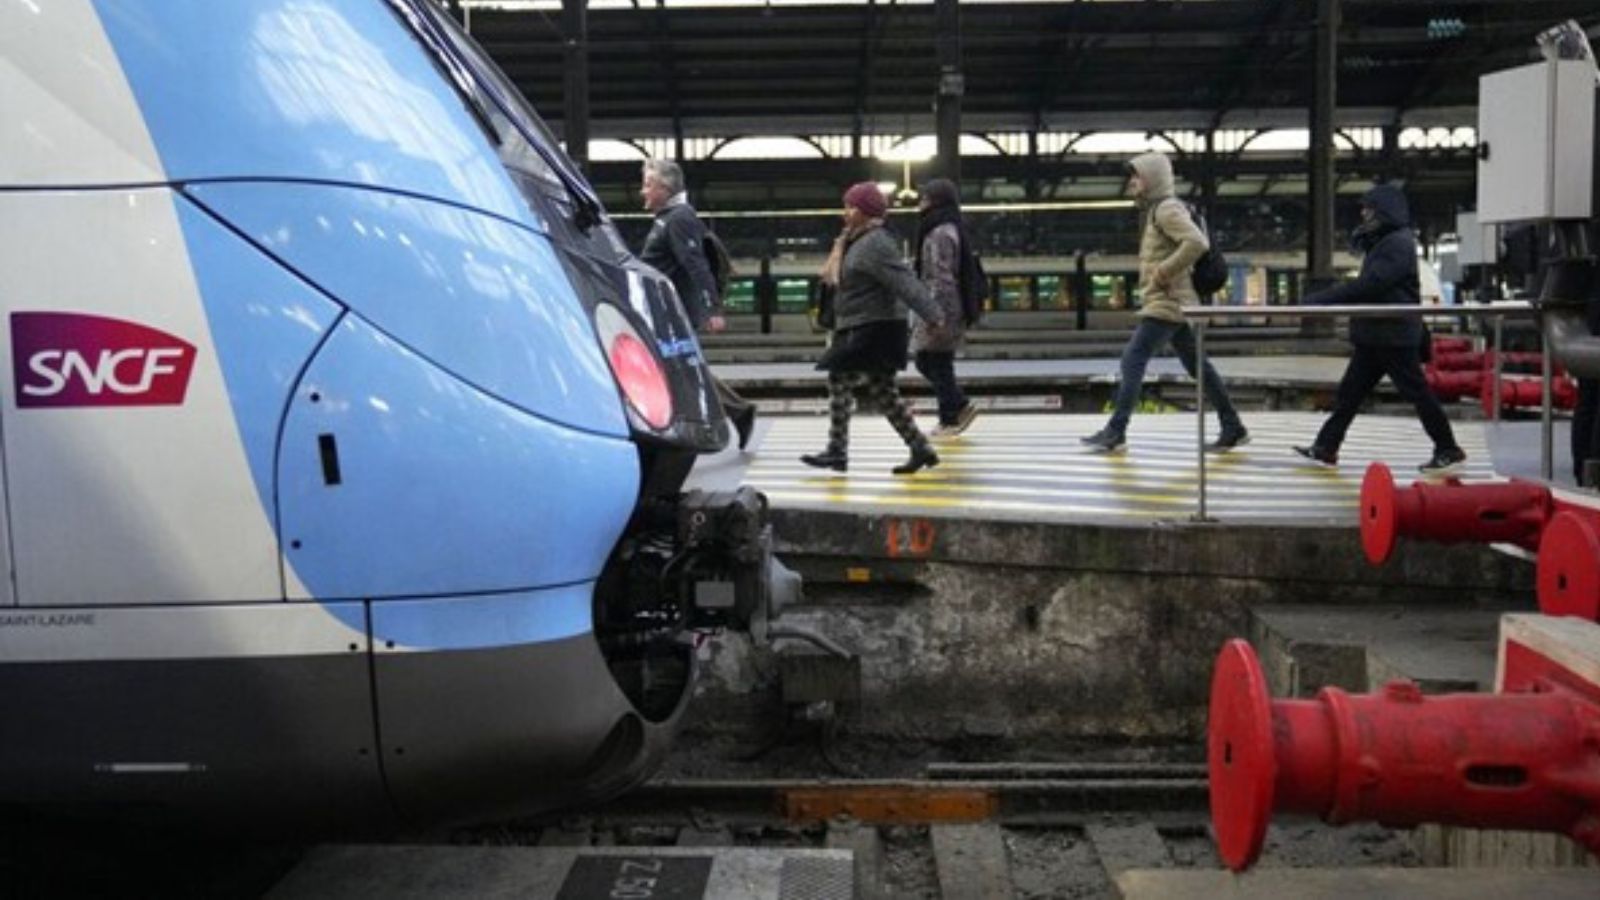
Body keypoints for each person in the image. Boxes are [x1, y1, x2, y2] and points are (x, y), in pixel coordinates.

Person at [1292, 183, 1467, 475]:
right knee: (1350, 394)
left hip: (1393, 336)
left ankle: (1447, 447)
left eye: (1368, 209)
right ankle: (1325, 447)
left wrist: (1321, 300)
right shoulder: (1388, 242)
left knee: (1417, 393)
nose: (1363, 214)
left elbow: (1370, 285)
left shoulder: (1396, 243)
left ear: (1383, 211)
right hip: (1378, 334)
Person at [1081, 152, 1249, 453]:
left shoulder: (1167, 209)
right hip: (1174, 301)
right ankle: (1233, 426)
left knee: (1133, 359)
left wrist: (1163, 270)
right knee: (1199, 366)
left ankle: (1116, 430)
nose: (1132, 182)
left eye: (1137, 176)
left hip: (1168, 301)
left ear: (1153, 179)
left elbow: (1197, 242)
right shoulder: (1156, 209)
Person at [801, 183, 946, 475]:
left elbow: (904, 282)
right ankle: (920, 448)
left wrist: (933, 315)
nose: (846, 212)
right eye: (846, 205)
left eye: (852, 207)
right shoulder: (851, 241)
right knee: (883, 391)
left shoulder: (875, 243)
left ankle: (837, 450)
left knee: (838, 378)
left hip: (873, 328)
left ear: (868, 213)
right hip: (861, 325)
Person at [638, 158, 757, 449]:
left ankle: (708, 422)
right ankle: (737, 411)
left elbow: (697, 265)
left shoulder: (679, 218)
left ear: (665, 188)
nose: (643, 191)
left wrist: (713, 309)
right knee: (679, 369)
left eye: (648, 184)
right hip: (662, 311)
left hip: (672, 314)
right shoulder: (668, 218)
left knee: (677, 370)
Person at [912, 178, 979, 439]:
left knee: (935, 362)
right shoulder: (949, 227)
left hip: (942, 307)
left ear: (936, 200)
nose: (920, 202)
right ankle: (957, 407)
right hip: (946, 305)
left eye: (925, 197)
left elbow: (941, 277)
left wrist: (934, 313)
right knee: (933, 361)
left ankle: (950, 418)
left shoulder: (939, 232)